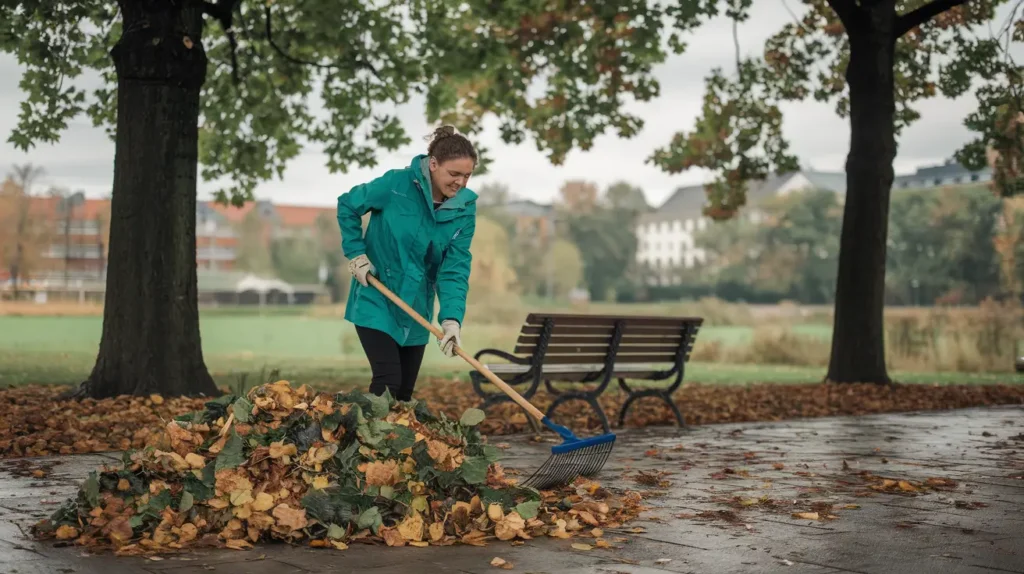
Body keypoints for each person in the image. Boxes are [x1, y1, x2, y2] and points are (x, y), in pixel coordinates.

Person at [336, 125, 478, 402]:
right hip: (377, 295)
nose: (460, 183)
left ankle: (391, 443)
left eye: (467, 176)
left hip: (416, 307)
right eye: (454, 174)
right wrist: (356, 254)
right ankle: (369, 442)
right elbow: (348, 205)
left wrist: (451, 320)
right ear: (433, 165)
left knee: (404, 394)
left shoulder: (464, 210)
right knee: (388, 384)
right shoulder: (396, 185)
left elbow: (454, 270)